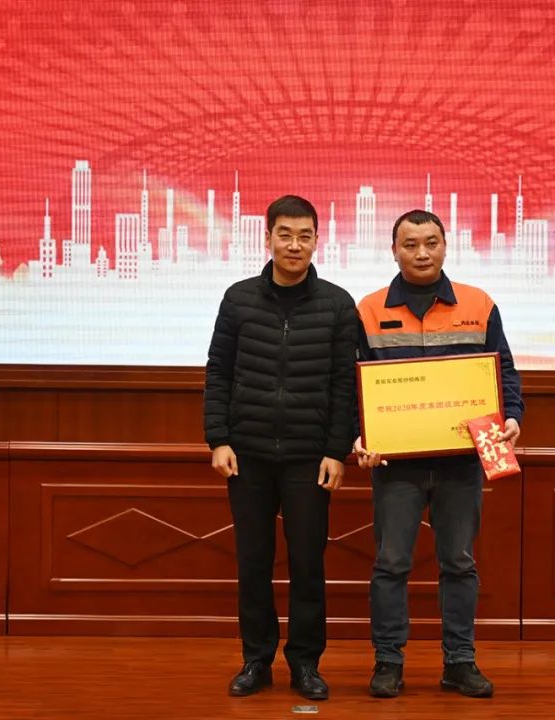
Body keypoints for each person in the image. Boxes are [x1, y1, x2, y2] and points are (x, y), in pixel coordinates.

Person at [354, 209, 525, 699]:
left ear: (446, 246)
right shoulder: (368, 309)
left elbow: (504, 373)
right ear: (394, 250)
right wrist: (357, 436)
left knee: (459, 562)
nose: (422, 253)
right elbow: (352, 383)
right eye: (410, 244)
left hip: (461, 461)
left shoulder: (478, 303)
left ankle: (459, 662)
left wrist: (512, 415)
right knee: (391, 564)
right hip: (395, 465)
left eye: (431, 242)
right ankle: (388, 663)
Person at [204, 194, 358, 701]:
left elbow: (345, 385)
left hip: (309, 457)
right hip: (246, 453)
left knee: (308, 563)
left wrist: (336, 450)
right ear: (267, 238)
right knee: (253, 561)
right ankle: (256, 659)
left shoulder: (337, 304)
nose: (295, 245)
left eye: (305, 236)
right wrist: (218, 439)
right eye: (285, 235)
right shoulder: (238, 299)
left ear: (317, 240)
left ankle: (306, 663)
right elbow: (219, 372)